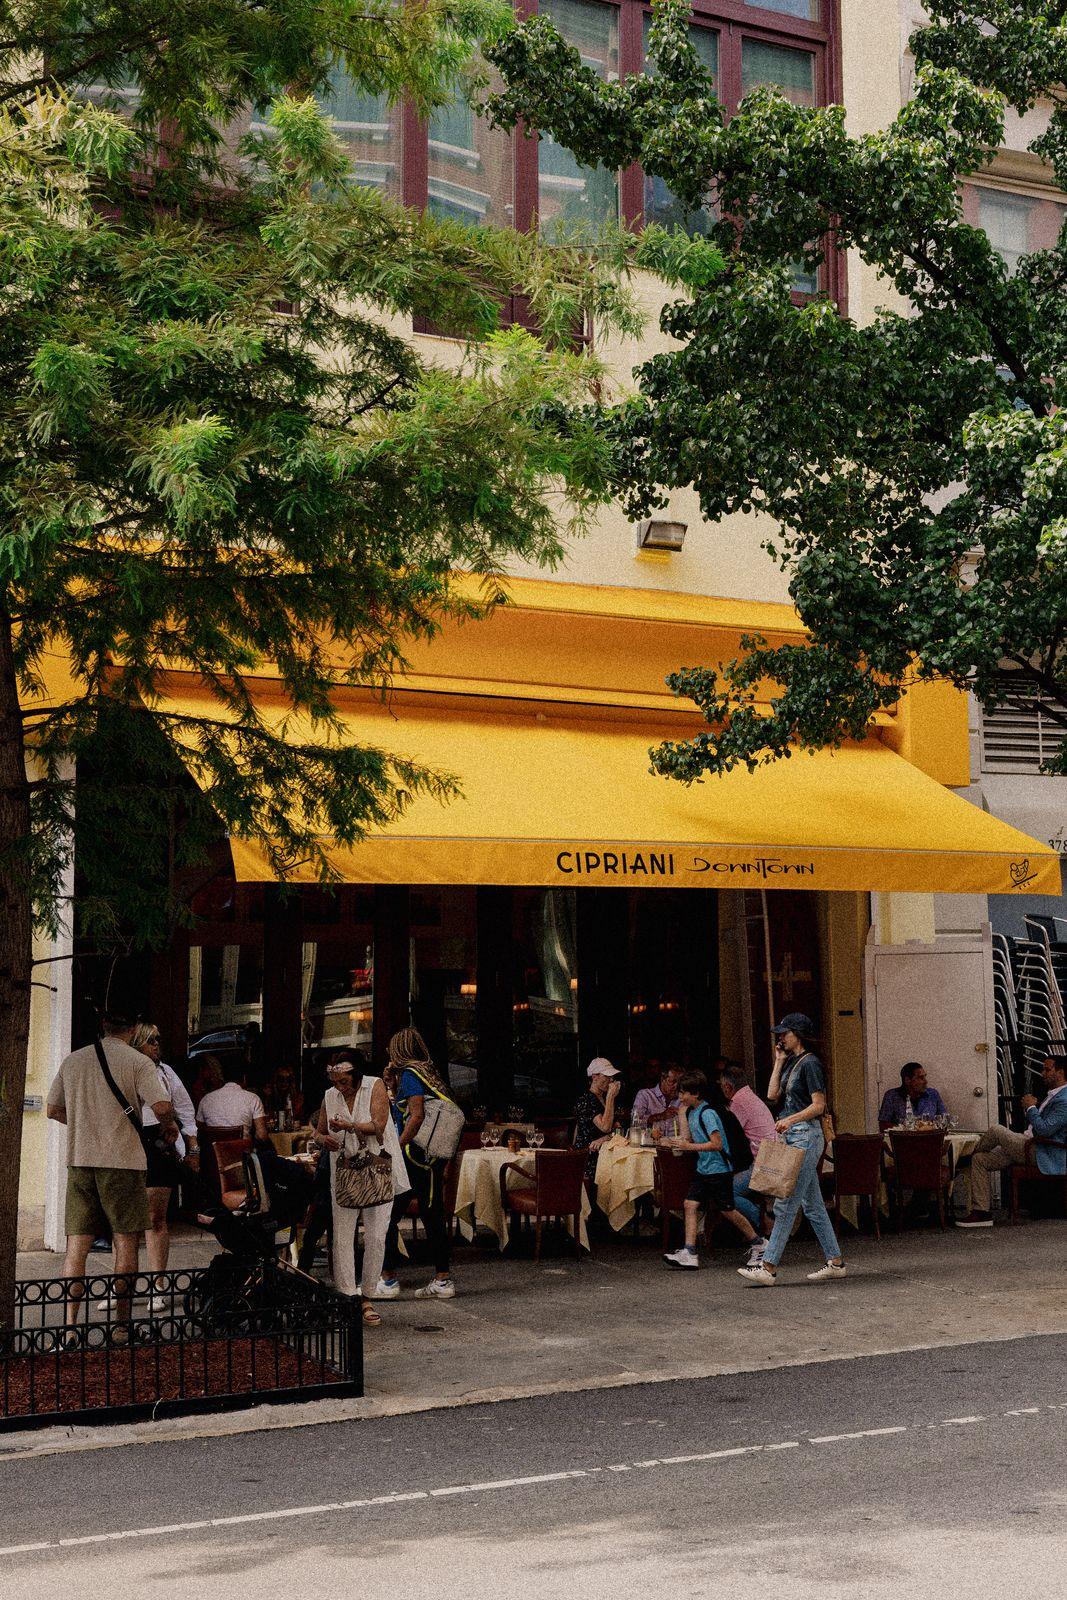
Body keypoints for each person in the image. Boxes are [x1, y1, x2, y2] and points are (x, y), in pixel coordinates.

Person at [46, 1008, 180, 1335]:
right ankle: (121, 1326)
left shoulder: (73, 1061)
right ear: (133, 1029)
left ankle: (69, 1328)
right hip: (124, 1163)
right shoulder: (138, 1062)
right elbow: (162, 1106)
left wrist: (84, 1123)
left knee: (76, 1247)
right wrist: (169, 1126)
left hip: (81, 1161)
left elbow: (52, 1109)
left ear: (103, 1026)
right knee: (125, 1242)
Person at [738, 1013, 846, 1286]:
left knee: (786, 1203)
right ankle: (835, 1261)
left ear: (798, 1034)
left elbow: (819, 1105)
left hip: (805, 1135)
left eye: (785, 1033)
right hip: (797, 1136)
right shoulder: (793, 1062)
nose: (780, 1037)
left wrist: (791, 1119)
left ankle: (768, 1266)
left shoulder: (810, 1063)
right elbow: (772, 1095)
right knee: (812, 1205)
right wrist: (778, 1061)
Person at [309, 1050, 407, 1326]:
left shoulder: (375, 1085)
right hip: (344, 1170)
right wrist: (323, 1140)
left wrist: (350, 1126)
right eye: (335, 1081)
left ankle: (367, 1296)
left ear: (357, 1075)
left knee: (376, 1235)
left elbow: (379, 1125)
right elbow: (318, 1131)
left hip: (376, 1168)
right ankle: (348, 1296)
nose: (340, 1087)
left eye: (344, 1081)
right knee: (341, 1234)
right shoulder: (330, 1095)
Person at [378, 1027, 458, 1301]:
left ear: (399, 1050)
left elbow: (416, 1115)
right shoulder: (428, 1072)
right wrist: (392, 1086)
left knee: (389, 1213)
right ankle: (442, 1278)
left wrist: (397, 1146)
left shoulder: (411, 1075)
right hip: (430, 1157)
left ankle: (388, 1278)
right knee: (431, 1214)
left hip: (415, 1156)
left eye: (391, 1048)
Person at [661, 1071, 764, 1270]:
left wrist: (689, 1147)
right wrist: (678, 1139)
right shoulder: (691, 1112)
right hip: (704, 1169)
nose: (680, 1097)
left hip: (718, 1170)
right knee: (690, 1204)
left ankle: (758, 1242)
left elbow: (717, 1144)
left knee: (728, 1210)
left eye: (683, 1093)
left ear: (696, 1094)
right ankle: (690, 1252)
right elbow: (689, 1138)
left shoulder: (708, 1113)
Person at [131, 1022, 198, 1304]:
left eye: (158, 1039)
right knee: (123, 1221)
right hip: (129, 1140)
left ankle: (157, 1286)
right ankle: (122, 1286)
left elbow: (185, 1110)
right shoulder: (126, 1069)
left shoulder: (166, 1073)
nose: (157, 1044)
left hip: (159, 1142)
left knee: (155, 1218)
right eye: (151, 1040)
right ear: (137, 1043)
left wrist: (193, 1149)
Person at [958, 1054, 1067, 1227]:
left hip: (1043, 1152)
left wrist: (1031, 1107)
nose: (1043, 1073)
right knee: (979, 1160)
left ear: (1060, 1072)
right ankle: (981, 1212)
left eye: (1047, 1070)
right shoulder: (1054, 1095)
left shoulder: (1064, 1100)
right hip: (1030, 1143)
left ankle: (963, 1157)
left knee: (996, 1130)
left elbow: (1045, 1130)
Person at [718, 1061, 777, 1238]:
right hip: (772, 1159)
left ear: (728, 1087)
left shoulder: (738, 1103)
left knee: (726, 1192)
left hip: (762, 1165)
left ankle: (763, 1222)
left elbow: (729, 1137)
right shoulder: (751, 1097)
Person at [572, 1058, 622, 1180]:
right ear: (594, 1077)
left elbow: (619, 1130)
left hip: (607, 1154)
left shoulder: (605, 1099)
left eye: (612, 1077)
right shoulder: (586, 1100)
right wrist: (610, 1097)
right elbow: (605, 1127)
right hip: (589, 1157)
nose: (611, 1080)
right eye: (607, 1076)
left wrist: (605, 1138)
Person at [197, 1059, 269, 1140]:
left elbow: (196, 1130)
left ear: (223, 1078)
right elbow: (261, 1136)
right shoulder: (253, 1098)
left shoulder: (206, 1099)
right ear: (244, 1078)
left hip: (213, 1148)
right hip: (242, 1148)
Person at [878, 1063, 948, 1130]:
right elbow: (883, 1125)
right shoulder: (892, 1096)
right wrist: (904, 1129)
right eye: (921, 1078)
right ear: (907, 1080)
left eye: (925, 1077)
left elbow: (944, 1120)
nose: (925, 1081)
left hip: (929, 1136)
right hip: (903, 1137)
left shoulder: (933, 1094)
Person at [631, 1065, 682, 1134]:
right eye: (673, 1081)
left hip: (676, 1140)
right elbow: (636, 1122)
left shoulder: (682, 1099)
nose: (676, 1086)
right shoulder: (645, 1095)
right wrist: (661, 1116)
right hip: (650, 1139)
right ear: (662, 1079)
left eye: (679, 1083)